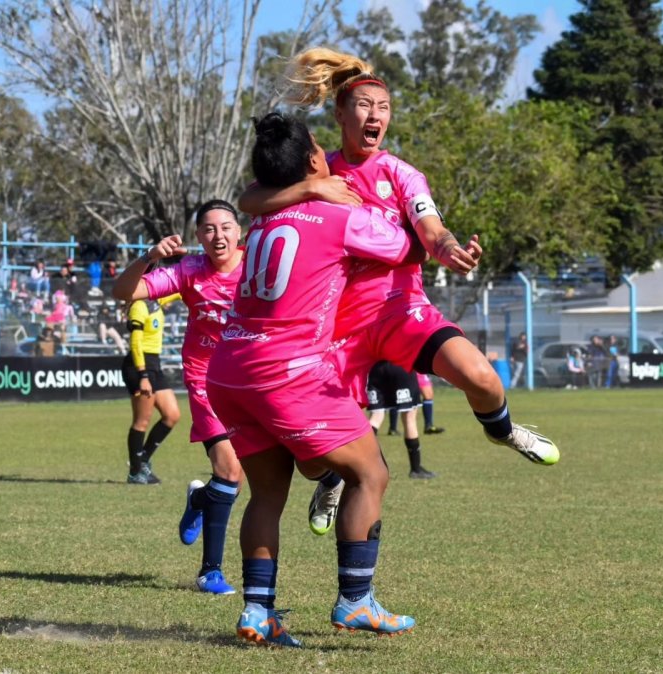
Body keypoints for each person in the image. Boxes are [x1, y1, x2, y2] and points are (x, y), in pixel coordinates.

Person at [239, 48, 559, 486]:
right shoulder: (316, 167)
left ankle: (503, 431)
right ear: (340, 113)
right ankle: (330, 480)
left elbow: (431, 229)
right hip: (335, 328)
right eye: (365, 105)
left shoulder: (402, 174)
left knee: (482, 378)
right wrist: (313, 190)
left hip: (399, 311)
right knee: (311, 464)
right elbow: (249, 200)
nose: (376, 115)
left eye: (384, 107)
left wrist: (448, 249)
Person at [206, 112, 422, 647]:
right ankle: (355, 601)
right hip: (287, 371)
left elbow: (255, 194)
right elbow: (403, 246)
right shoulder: (338, 218)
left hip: (230, 370)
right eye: (320, 150)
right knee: (370, 473)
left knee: (266, 496)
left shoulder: (261, 221)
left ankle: (258, 612)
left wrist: (308, 185)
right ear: (310, 164)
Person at [114, 199, 246, 595]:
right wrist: (150, 257)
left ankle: (200, 500)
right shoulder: (189, 270)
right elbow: (124, 291)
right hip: (206, 378)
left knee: (240, 479)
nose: (217, 235)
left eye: (225, 227)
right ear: (198, 237)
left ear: (239, 232)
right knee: (230, 471)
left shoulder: (260, 263)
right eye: (208, 229)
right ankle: (210, 572)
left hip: (252, 376)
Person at [121, 294, 181, 485]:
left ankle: (143, 460)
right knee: (141, 421)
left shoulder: (155, 302)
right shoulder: (139, 306)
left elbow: (179, 289)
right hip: (139, 366)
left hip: (154, 364)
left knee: (172, 415)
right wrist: (143, 375)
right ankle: (135, 472)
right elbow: (135, 343)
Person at [367, 361, 436, 479]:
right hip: (401, 365)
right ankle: (416, 469)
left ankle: (362, 464)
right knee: (409, 417)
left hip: (376, 368)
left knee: (376, 416)